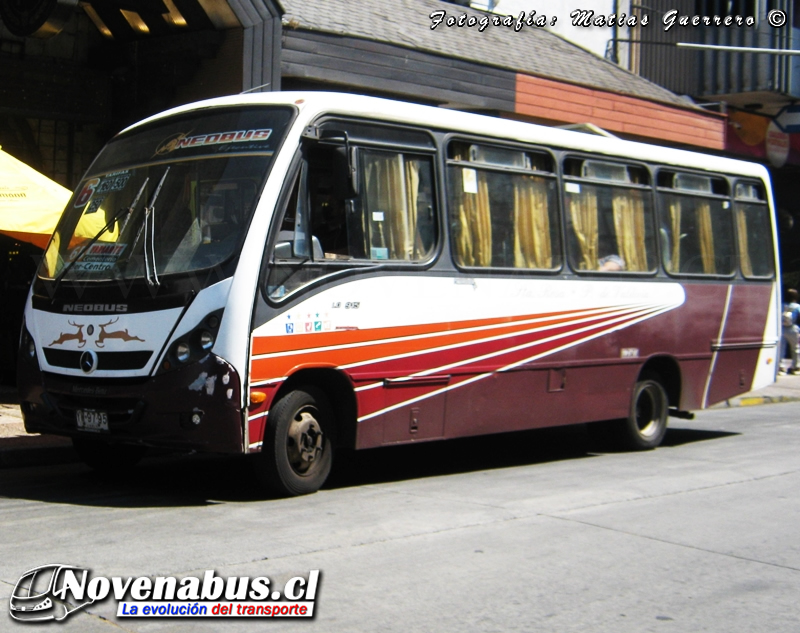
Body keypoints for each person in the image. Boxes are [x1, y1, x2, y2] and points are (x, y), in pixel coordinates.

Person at [781, 288, 800, 375]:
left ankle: (781, 367)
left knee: (782, 349)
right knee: (795, 348)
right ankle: (795, 367)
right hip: (793, 328)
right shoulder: (797, 307)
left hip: (782, 328)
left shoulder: (782, 305)